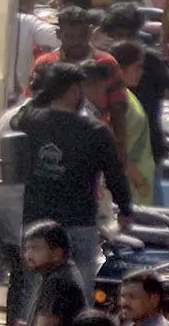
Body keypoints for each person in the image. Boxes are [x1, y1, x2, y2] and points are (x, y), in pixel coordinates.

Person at [16, 60, 132, 284]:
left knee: (36, 294)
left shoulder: (30, 121)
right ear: (73, 92)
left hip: (38, 224)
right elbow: (116, 177)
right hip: (79, 224)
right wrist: (125, 211)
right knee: (79, 296)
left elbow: (22, 114)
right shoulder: (96, 132)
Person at [20, 220, 88, 326]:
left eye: (35, 248)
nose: (28, 255)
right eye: (27, 249)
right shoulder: (53, 276)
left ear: (57, 253)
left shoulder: (58, 281)